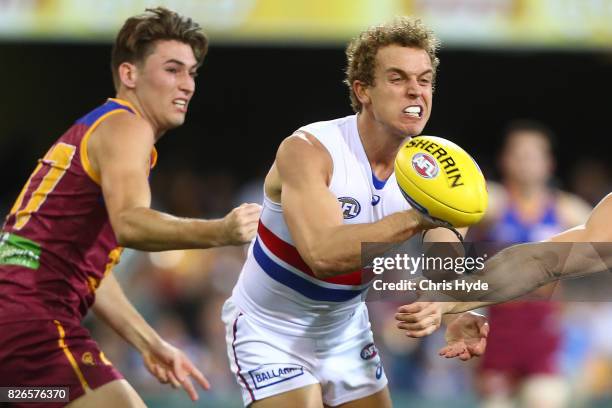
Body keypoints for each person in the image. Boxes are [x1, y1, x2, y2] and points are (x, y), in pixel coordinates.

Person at [221, 17, 488, 408]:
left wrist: (449, 309)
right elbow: (323, 256)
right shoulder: (311, 150)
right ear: (363, 90)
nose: (415, 90)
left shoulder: (444, 172)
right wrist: (419, 216)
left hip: (345, 331)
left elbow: (443, 257)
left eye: (425, 79)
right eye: (397, 79)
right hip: (270, 329)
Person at [0, 7, 260, 407]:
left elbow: (90, 274)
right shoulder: (127, 127)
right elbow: (130, 224)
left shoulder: (100, 128)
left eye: (192, 72)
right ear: (129, 74)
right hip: (36, 323)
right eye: (173, 69)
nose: (187, 84)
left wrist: (150, 342)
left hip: (15, 324)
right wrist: (219, 231)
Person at [395, 196, 612, 359]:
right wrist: (450, 295)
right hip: (503, 329)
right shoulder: (500, 200)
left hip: (541, 329)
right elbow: (538, 262)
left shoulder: (564, 205)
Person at [469, 121, 591, 408]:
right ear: (505, 160)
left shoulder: (566, 210)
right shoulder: (494, 203)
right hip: (499, 329)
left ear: (548, 164)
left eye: (533, 155)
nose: (525, 162)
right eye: (518, 154)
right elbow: (455, 207)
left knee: (545, 400)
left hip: (542, 329)